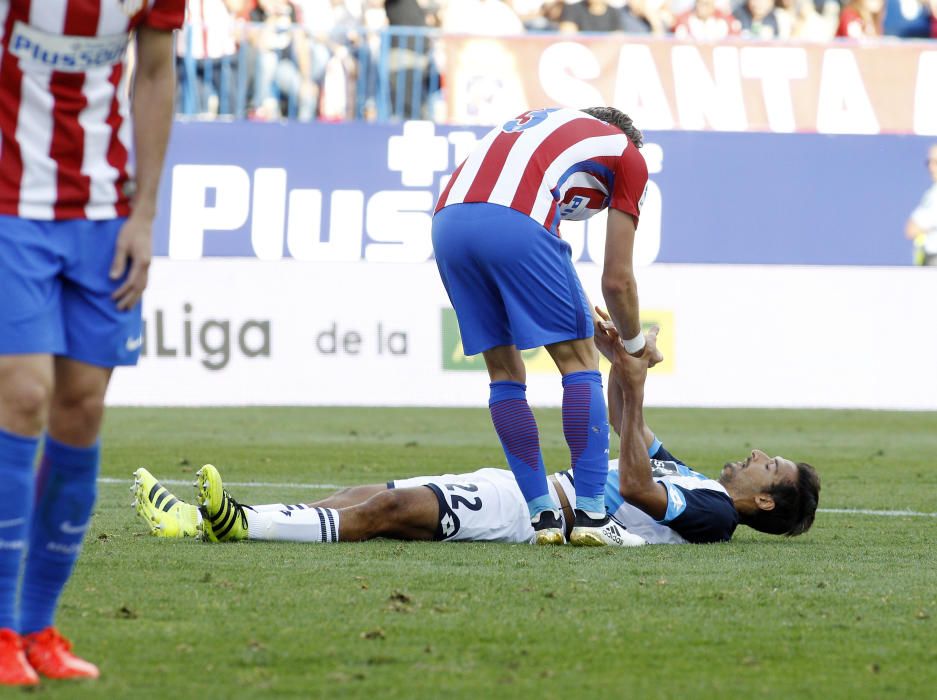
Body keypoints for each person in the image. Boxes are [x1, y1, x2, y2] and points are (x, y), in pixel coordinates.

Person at [131, 323, 820, 548]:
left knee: (388, 512)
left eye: (770, 467)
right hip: (531, 491)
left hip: (534, 518)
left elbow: (635, 484)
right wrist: (623, 364)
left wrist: (635, 386)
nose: (757, 457)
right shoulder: (695, 477)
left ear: (764, 502)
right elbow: (624, 425)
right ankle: (215, 520)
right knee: (374, 490)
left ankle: (233, 526)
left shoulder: (711, 517)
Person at [0, 0, 183, 687]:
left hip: (102, 216)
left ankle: (36, 627)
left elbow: (156, 73)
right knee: (22, 394)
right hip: (10, 207)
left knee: (81, 409)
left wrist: (145, 214)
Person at [431, 106, 658, 548]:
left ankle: (543, 518)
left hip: (447, 223)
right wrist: (634, 347)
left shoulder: (542, 128)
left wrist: (577, 303)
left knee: (504, 373)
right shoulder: (628, 153)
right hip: (516, 220)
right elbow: (617, 279)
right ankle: (593, 516)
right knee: (579, 362)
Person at [906, 144, 937, 267]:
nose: (931, 167)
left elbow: (913, 229)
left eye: (935, 162)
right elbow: (911, 228)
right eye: (929, 162)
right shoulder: (931, 194)